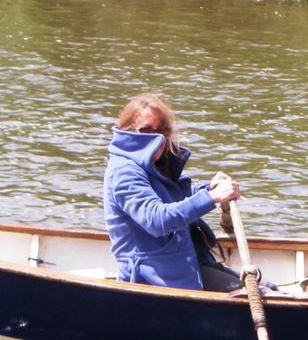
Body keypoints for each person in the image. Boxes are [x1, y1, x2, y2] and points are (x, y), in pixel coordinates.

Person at [104, 93, 246, 292]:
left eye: (161, 131)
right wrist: (212, 197)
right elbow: (156, 219)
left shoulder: (152, 164)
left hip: (181, 266)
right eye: (146, 131)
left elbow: (175, 197)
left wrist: (208, 188)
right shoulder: (124, 172)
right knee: (255, 295)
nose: (156, 138)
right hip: (152, 277)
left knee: (264, 287)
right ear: (128, 132)